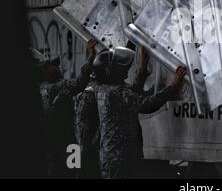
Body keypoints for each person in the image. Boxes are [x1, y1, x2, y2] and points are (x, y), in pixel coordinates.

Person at [88, 46, 186, 179]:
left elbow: (132, 93)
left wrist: (142, 70)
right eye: (119, 67)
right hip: (121, 159)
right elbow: (147, 105)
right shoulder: (115, 92)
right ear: (110, 72)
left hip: (114, 157)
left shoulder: (104, 88)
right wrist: (173, 86)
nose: (125, 69)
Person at [32, 39, 97, 178]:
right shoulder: (58, 85)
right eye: (52, 66)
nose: (57, 67)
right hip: (66, 138)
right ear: (44, 71)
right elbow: (79, 83)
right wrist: (91, 57)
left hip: (54, 141)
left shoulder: (40, 88)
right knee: (73, 170)